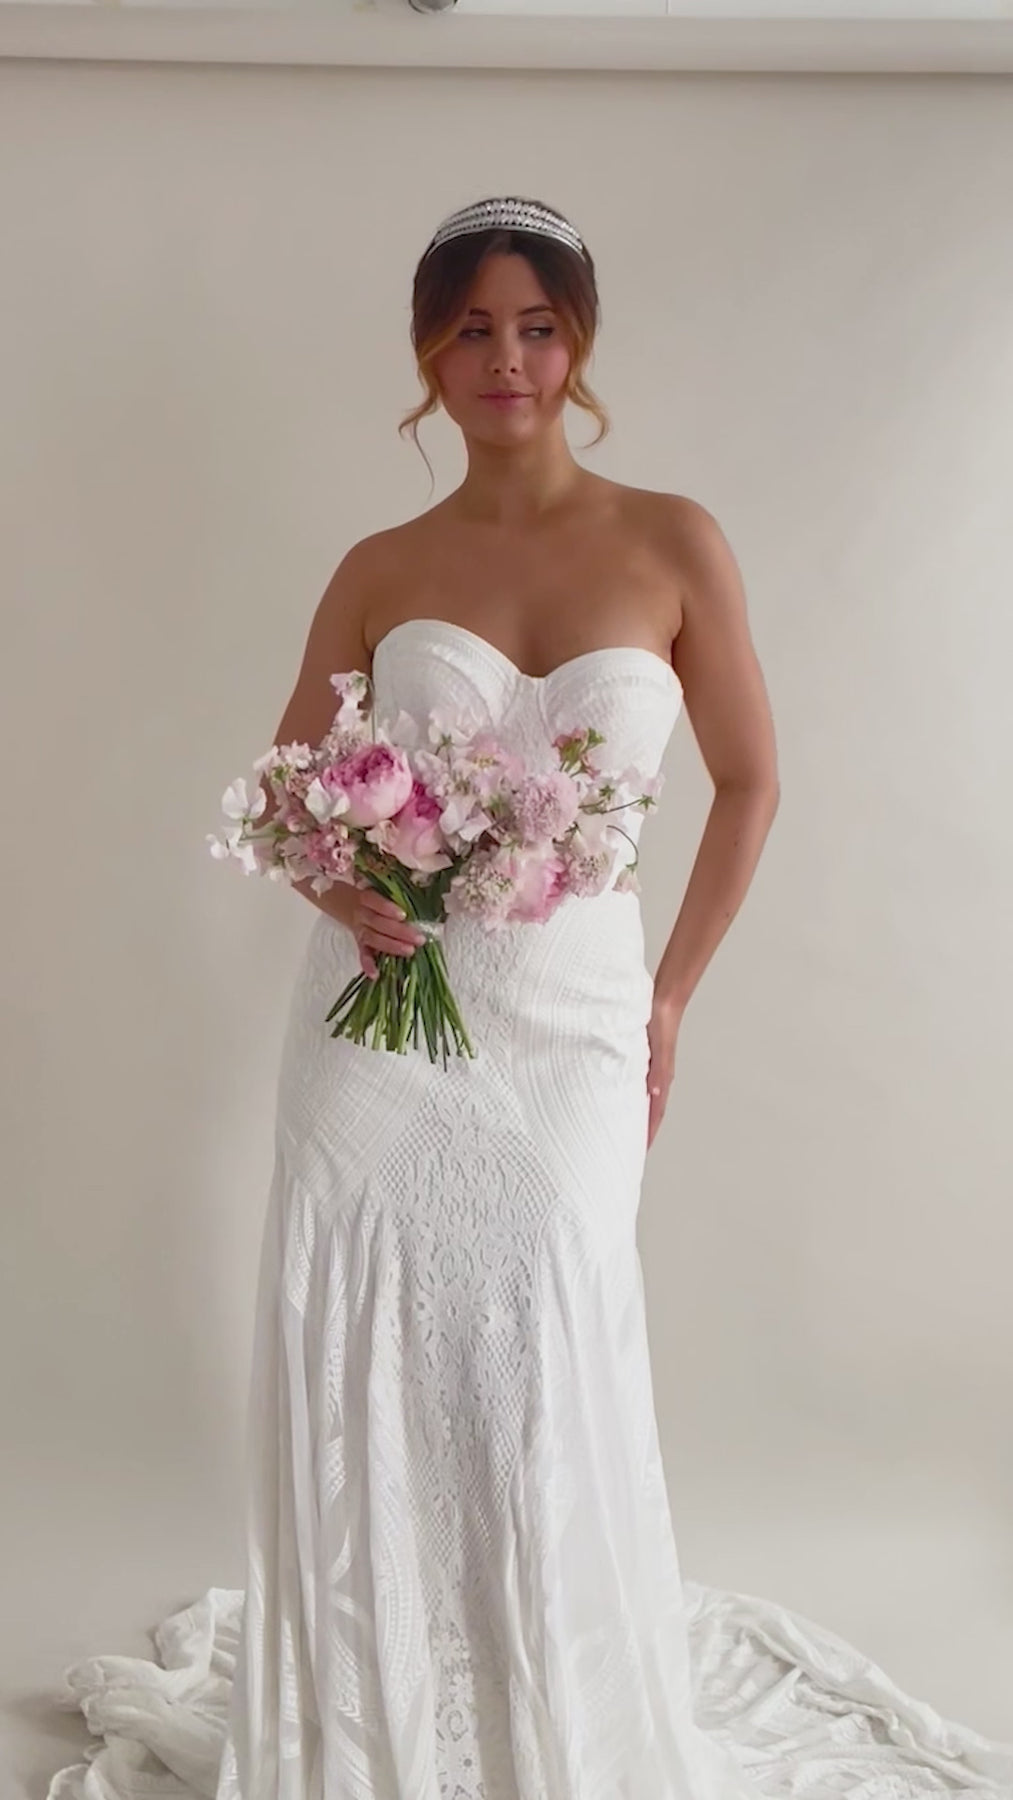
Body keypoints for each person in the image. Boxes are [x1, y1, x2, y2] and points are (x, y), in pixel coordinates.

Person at [45, 197, 1013, 1800]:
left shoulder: (672, 540)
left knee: (540, 1337)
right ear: (427, 354)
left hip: (572, 1018)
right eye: (472, 330)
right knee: (365, 1339)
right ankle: (371, 1718)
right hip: (377, 1025)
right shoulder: (381, 565)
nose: (507, 359)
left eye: (538, 327)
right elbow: (285, 786)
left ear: (580, 344)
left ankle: (540, 1712)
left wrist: (670, 1001)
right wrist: (340, 887)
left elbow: (751, 782)